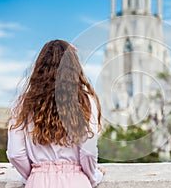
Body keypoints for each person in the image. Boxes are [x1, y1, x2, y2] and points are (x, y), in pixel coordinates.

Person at [6, 40, 104, 188]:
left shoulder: (22, 104)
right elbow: (88, 152)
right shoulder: (86, 102)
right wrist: (93, 176)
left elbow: (15, 154)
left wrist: (34, 175)